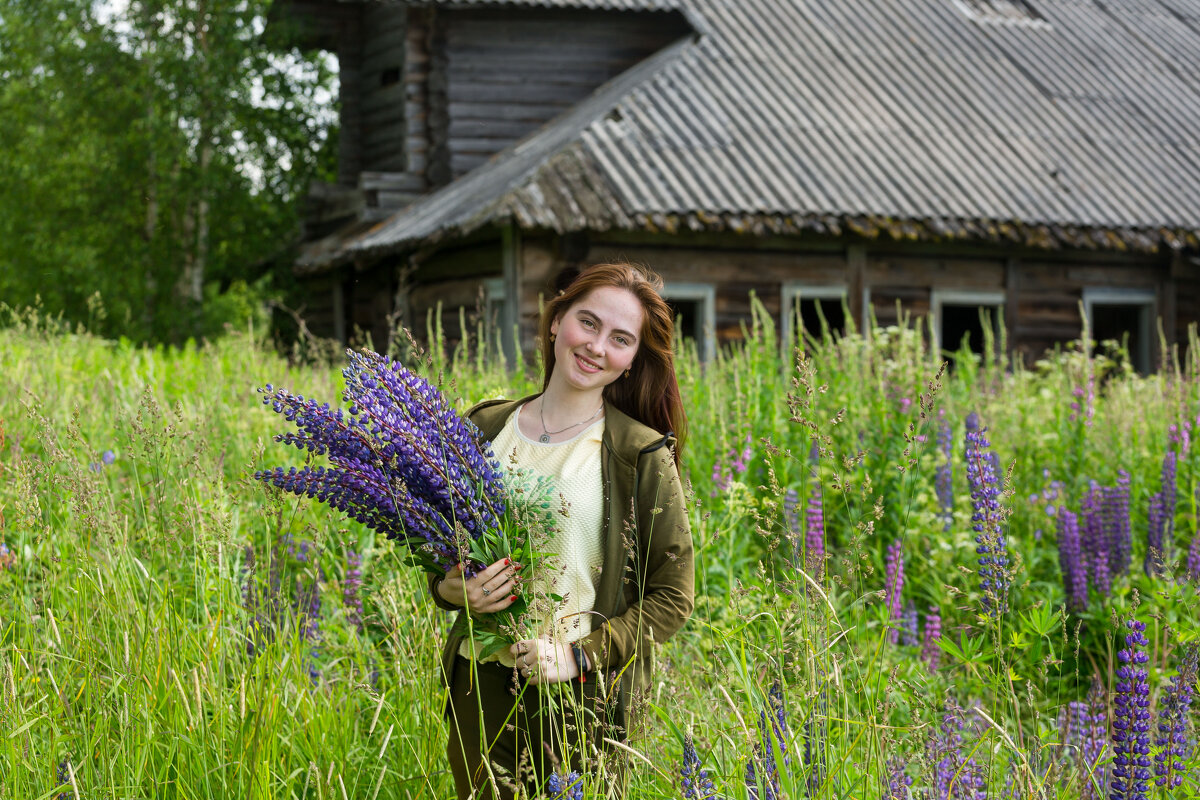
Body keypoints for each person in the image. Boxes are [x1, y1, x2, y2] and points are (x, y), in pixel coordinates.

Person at [427, 262, 695, 799]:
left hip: (580, 700)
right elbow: (439, 547)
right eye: (588, 323)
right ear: (556, 322)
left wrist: (579, 655)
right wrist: (451, 589)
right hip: (480, 688)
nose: (597, 345)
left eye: (620, 339)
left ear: (630, 362)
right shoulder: (482, 428)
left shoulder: (639, 454)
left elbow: (673, 596)